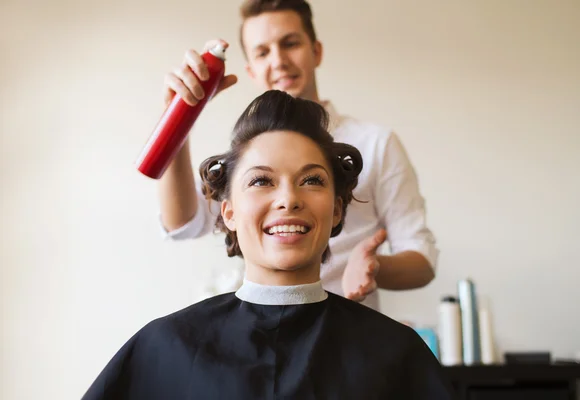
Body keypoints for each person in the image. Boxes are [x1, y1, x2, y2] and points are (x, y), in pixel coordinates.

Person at [84, 90, 453, 399]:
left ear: (337, 209)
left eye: (311, 180)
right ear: (227, 212)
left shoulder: (394, 354)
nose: (288, 199)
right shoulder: (166, 348)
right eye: (262, 181)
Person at [158, 0, 439, 310]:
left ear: (316, 51)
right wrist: (177, 120)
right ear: (251, 69)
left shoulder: (376, 144)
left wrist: (374, 266)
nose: (278, 61)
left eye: (290, 43)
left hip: (346, 333)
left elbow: (421, 258)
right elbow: (183, 223)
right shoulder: (246, 154)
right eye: (262, 52)